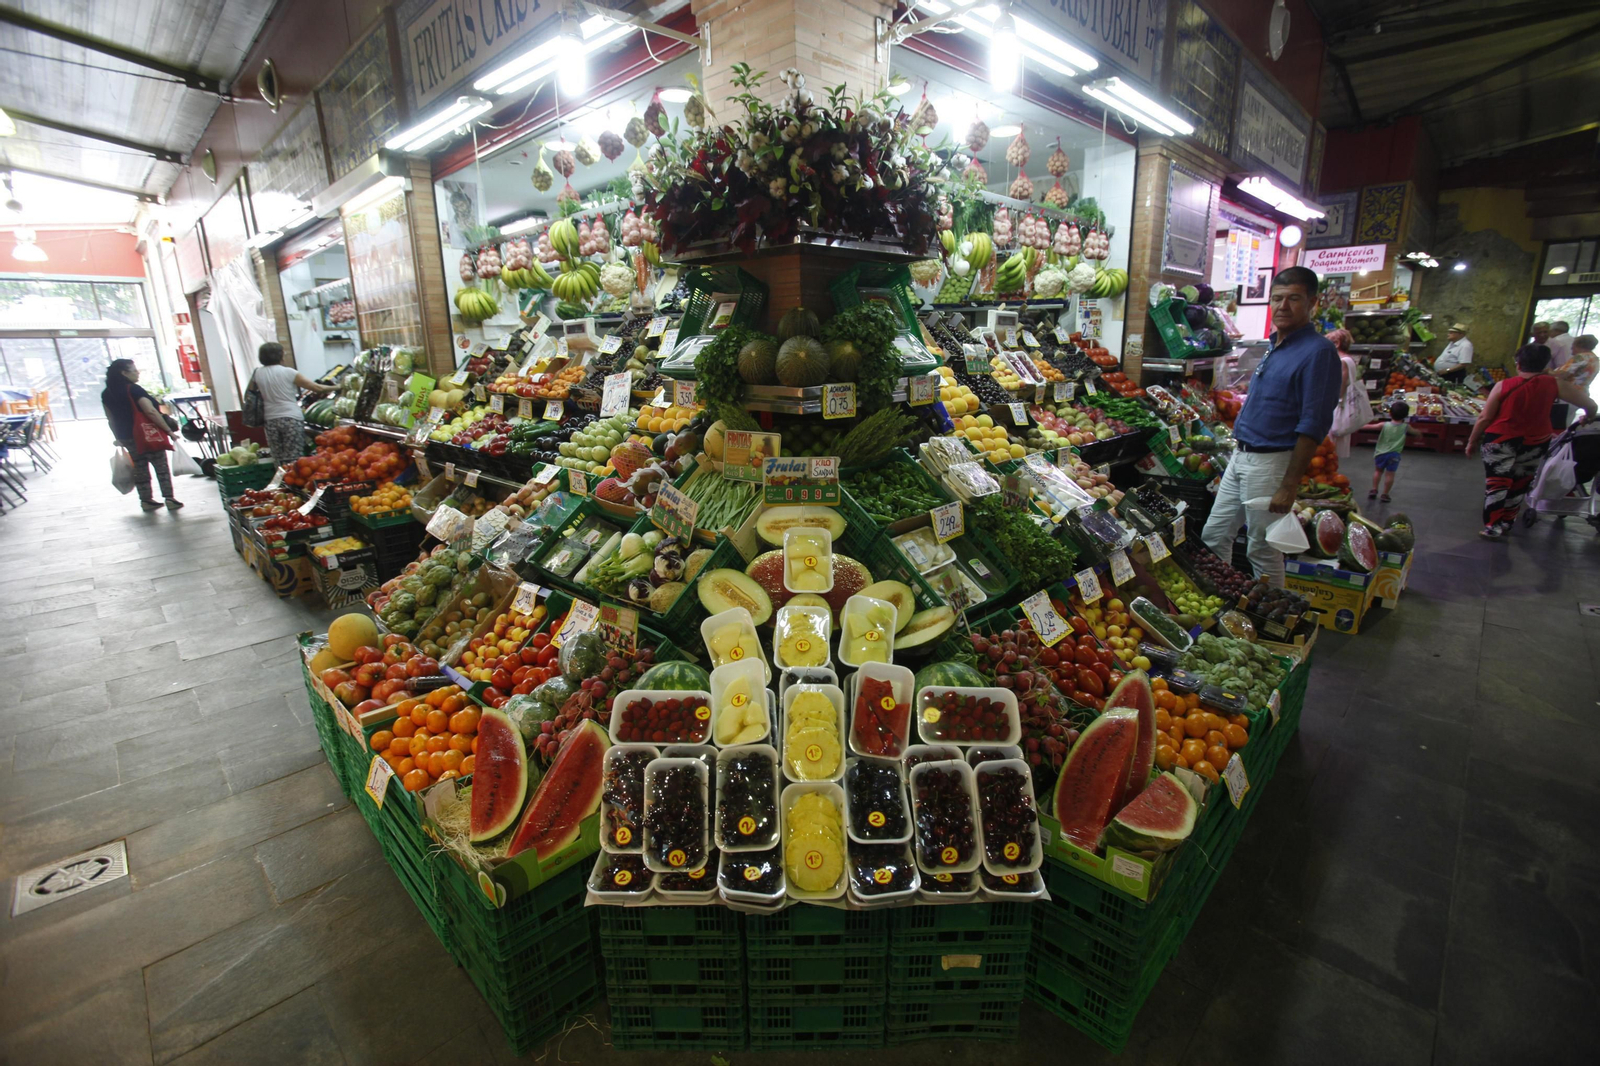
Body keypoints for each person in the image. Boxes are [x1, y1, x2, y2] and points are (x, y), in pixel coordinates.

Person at [1202, 266, 1342, 587]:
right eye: (1277, 299)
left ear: (1312, 303)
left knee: (1262, 549)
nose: (1283, 306)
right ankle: (1222, 598)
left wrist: (1289, 485)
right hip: (1241, 456)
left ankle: (1270, 613)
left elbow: (1314, 423)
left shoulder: (1319, 352)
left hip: (1272, 461)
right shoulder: (1276, 344)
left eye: (1294, 299)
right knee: (1214, 535)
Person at [1466, 343, 1597, 539]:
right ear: (1545, 365)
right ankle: (1507, 522)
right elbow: (1591, 405)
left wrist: (1472, 441)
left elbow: (1485, 417)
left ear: (1518, 363)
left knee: (1497, 483)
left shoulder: (1504, 385)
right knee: (1520, 482)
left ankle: (1493, 526)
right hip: (1536, 440)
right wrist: (1588, 417)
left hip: (1501, 439)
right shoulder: (1555, 384)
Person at [101, 358, 182, 511]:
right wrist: (168, 431)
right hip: (147, 434)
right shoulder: (134, 389)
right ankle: (169, 498)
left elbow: (110, 418)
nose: (137, 373)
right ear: (124, 373)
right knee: (161, 467)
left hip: (127, 437)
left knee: (140, 468)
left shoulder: (106, 393)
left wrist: (118, 437)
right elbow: (150, 411)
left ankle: (146, 501)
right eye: (134, 370)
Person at [250, 342, 336, 465]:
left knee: (278, 457)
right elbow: (317, 388)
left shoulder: (257, 373)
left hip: (270, 420)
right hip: (291, 418)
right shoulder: (289, 372)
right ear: (280, 355)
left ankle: (281, 476)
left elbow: (250, 394)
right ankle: (293, 476)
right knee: (294, 458)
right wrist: (339, 387)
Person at [1324, 328, 1369, 459]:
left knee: (1329, 446)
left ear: (1336, 343)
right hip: (1345, 405)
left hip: (1338, 406)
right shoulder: (1349, 359)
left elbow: (1339, 387)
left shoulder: (1342, 361)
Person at [1368, 401, 1421, 502]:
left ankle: (1374, 490)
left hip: (1381, 453)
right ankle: (1385, 494)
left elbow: (1369, 427)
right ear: (1406, 415)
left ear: (1390, 413)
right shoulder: (1406, 427)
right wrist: (1418, 433)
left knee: (1378, 471)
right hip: (1394, 455)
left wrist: (1355, 426)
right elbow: (1415, 432)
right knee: (1390, 474)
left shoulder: (1384, 425)